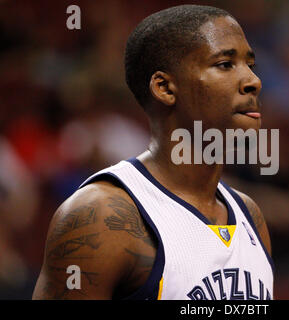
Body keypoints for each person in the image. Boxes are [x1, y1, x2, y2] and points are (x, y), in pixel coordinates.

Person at [32, 4, 274, 300]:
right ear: (165, 87)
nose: (253, 81)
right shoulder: (99, 217)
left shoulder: (249, 215)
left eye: (251, 65)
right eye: (225, 64)